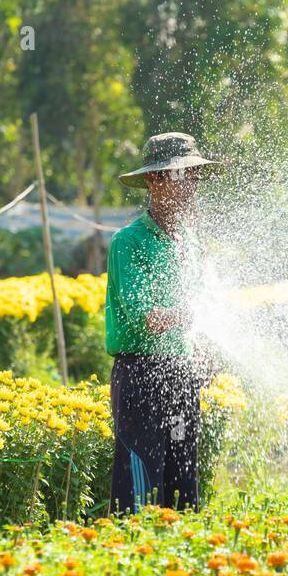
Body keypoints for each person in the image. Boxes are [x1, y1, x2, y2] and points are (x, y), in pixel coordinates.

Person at [105, 132, 218, 514]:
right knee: (140, 484)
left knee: (184, 480)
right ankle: (131, 556)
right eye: (180, 175)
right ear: (153, 181)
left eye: (194, 175)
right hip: (140, 374)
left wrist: (202, 351)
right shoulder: (129, 242)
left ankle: (179, 562)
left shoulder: (190, 242)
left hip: (182, 373)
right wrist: (195, 314)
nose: (190, 185)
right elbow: (148, 318)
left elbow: (196, 312)